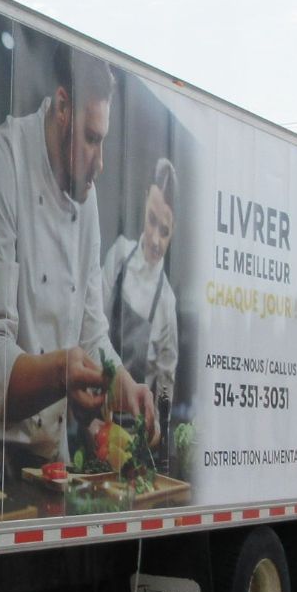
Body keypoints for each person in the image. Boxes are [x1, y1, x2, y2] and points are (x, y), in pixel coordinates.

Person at [0, 41, 159, 475]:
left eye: (103, 140)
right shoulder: (7, 159)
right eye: (92, 139)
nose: (102, 163)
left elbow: (92, 334)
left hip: (54, 463)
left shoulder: (85, 200)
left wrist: (123, 385)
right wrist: (61, 372)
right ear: (62, 107)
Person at [104, 158, 180, 410]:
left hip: (133, 429)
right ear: (145, 199)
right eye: (151, 221)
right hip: (95, 411)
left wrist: (155, 427)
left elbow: (165, 382)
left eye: (165, 230)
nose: (156, 239)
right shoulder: (119, 256)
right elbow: (90, 328)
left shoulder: (167, 302)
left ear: (174, 230)